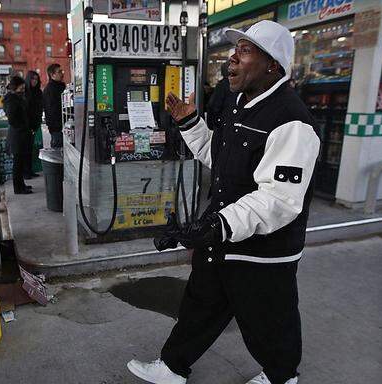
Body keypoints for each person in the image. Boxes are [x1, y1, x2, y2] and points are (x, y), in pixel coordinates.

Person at [127, 21, 320, 384]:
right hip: (224, 240)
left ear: (272, 65)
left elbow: (279, 199)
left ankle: (282, 378)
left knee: (269, 318)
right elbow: (223, 157)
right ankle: (172, 367)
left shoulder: (292, 122)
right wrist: (190, 124)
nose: (231, 60)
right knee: (200, 304)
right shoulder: (241, 105)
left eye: (245, 51)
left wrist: (218, 225)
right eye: (235, 51)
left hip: (261, 251)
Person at [3, 75, 33, 194]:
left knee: (20, 162)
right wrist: (22, 126)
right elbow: (12, 118)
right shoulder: (12, 99)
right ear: (16, 86)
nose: (23, 88)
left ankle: (21, 185)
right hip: (17, 135)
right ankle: (18, 188)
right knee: (18, 162)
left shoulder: (17, 97)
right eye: (21, 86)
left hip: (20, 134)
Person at [42, 63, 66, 148]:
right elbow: (51, 111)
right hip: (57, 130)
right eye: (59, 72)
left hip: (64, 127)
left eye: (62, 71)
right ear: (52, 75)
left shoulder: (61, 87)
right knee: (59, 155)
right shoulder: (50, 90)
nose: (62, 73)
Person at [207, 60, 235, 130]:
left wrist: (212, 124)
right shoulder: (238, 85)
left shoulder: (222, 85)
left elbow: (213, 105)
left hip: (222, 123)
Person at [24, 70, 43, 179]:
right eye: (32, 79)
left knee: (30, 149)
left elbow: (39, 108)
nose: (34, 81)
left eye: (36, 79)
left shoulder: (38, 92)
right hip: (26, 126)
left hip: (34, 124)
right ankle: (26, 172)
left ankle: (29, 170)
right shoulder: (25, 92)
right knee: (25, 150)